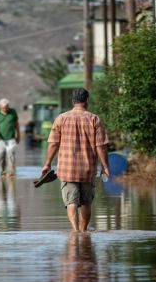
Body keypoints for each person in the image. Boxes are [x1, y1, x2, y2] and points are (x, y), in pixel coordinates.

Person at [41, 88, 109, 232]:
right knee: (86, 203)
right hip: (88, 169)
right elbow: (100, 147)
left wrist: (47, 163)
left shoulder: (61, 118)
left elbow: (53, 144)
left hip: (67, 169)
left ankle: (75, 230)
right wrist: (105, 166)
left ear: (73, 101)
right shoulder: (94, 119)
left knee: (71, 201)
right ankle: (83, 231)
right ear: (87, 101)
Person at [0, 98, 20, 176]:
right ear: (0, 106)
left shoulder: (13, 112)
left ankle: (11, 172)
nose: (5, 108)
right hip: (0, 139)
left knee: (11, 155)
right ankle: (2, 171)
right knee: (1, 156)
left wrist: (18, 135)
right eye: (4, 107)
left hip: (11, 138)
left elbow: (16, 124)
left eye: (7, 107)